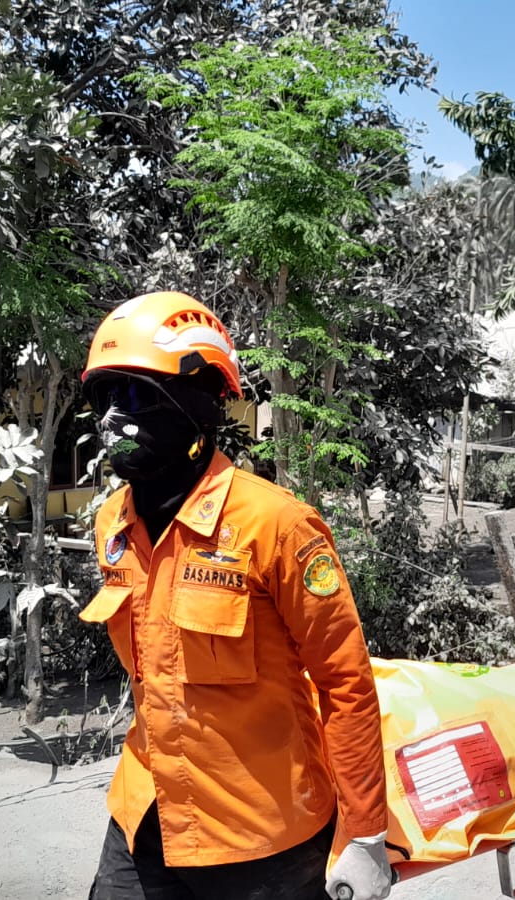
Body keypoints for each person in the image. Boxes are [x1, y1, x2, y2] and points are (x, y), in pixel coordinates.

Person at [77, 292, 392, 900]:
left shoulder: (275, 525)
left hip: (264, 839)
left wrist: (367, 834)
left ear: (197, 404)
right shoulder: (113, 523)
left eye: (137, 394)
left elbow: (347, 684)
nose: (114, 417)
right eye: (105, 396)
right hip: (146, 811)